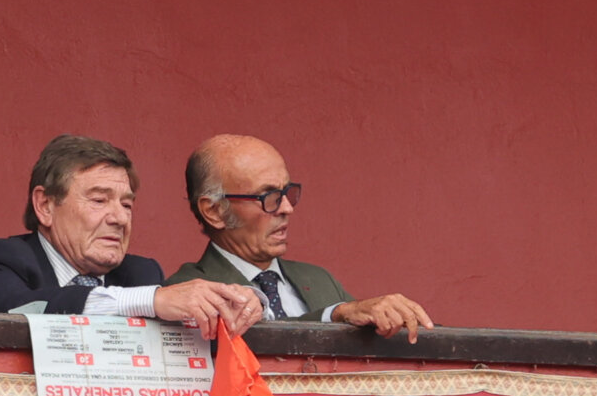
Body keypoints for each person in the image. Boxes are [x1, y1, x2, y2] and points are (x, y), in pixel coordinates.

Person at [0, 134, 260, 338]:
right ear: (45, 206)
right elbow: (18, 312)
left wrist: (241, 304)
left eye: (127, 205)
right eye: (99, 200)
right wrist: (149, 300)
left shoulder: (140, 273)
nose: (119, 218)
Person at [169, 134, 433, 342]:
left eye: (287, 193)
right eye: (269, 197)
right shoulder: (189, 290)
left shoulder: (317, 279)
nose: (287, 208)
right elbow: (261, 342)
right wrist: (335, 315)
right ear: (214, 211)